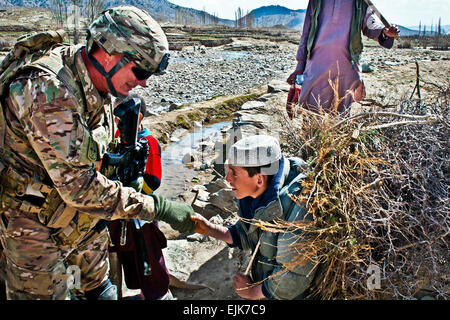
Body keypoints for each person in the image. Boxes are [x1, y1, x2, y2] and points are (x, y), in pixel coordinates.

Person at [0, 6, 195, 300]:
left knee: (99, 291)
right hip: (31, 227)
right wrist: (159, 207)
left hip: (78, 223)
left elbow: (91, 156)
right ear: (109, 54)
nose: (143, 82)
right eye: (140, 71)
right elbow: (81, 189)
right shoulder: (48, 92)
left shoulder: (97, 84)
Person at [191, 135, 316, 300]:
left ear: (259, 179)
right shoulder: (254, 195)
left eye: (233, 173)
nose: (227, 179)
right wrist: (211, 229)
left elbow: (293, 275)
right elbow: (247, 233)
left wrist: (252, 292)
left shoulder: (300, 207)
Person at [286, 0, 400, 115]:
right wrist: (300, 65)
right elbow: (306, 32)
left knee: (340, 116)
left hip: (346, 67)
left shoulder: (360, 2)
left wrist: (385, 32)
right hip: (316, 65)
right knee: (311, 113)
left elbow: (371, 24)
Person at [109, 95, 172, 300]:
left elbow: (154, 180)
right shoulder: (117, 136)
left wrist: (135, 196)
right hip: (117, 209)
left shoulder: (150, 143)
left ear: (138, 117)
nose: (116, 122)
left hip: (139, 211)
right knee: (123, 255)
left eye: (121, 118)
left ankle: (151, 294)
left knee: (147, 257)